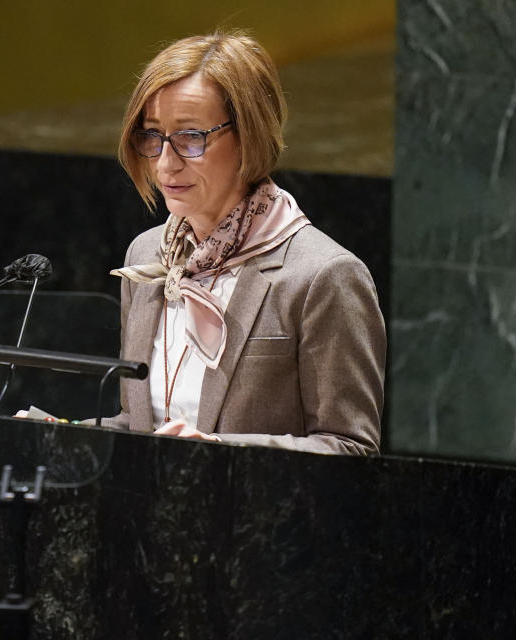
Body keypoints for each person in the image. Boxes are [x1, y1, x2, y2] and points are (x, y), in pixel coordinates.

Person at [108, 31, 386, 454]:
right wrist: (67, 434)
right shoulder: (146, 257)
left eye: (190, 137)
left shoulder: (323, 276)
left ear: (249, 137)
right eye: (152, 137)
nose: (165, 163)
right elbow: (140, 423)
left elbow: (350, 448)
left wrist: (220, 451)